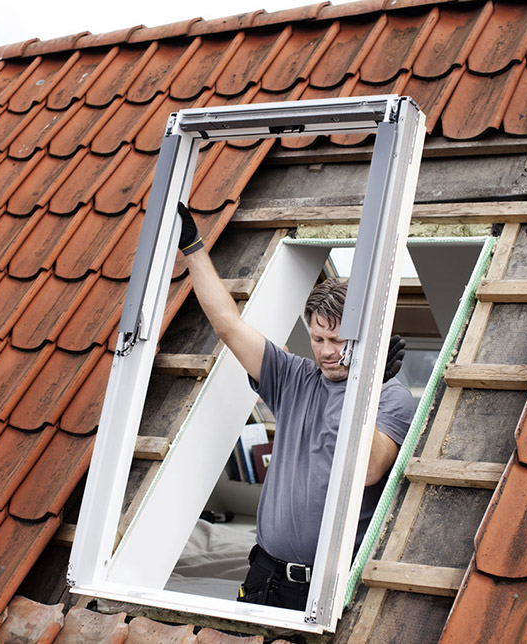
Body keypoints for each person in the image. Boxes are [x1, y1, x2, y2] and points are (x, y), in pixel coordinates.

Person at [176, 203, 415, 610]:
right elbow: (228, 325)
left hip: (328, 587)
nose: (326, 351)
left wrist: (366, 388)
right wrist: (192, 248)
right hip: (265, 576)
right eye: (318, 339)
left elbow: (370, 470)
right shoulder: (293, 377)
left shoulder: (391, 397)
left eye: (337, 340)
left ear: (363, 336)